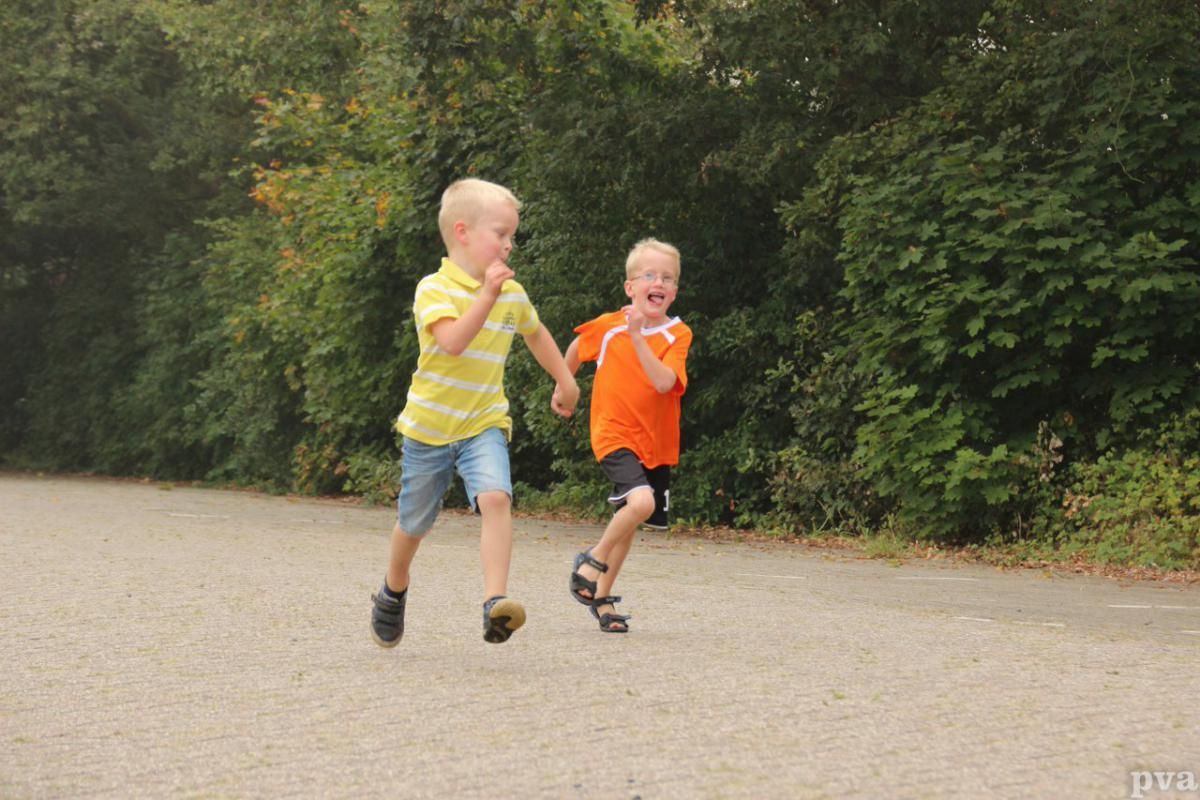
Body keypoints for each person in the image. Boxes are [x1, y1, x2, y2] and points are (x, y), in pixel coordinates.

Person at [370, 178, 579, 647]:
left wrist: (565, 379)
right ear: (462, 232)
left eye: (512, 236)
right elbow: (454, 342)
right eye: (500, 234)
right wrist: (486, 296)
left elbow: (536, 332)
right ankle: (393, 589)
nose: (509, 245)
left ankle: (495, 604)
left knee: (497, 499)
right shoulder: (434, 289)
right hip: (429, 430)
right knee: (414, 523)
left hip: (483, 422)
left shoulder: (511, 293)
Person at [555, 238, 692, 633]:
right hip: (613, 433)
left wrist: (637, 336)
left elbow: (666, 382)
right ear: (630, 288)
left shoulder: (677, 335)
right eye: (649, 275)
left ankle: (600, 598)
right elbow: (578, 347)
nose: (659, 282)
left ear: (674, 292)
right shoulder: (610, 326)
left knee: (630, 517)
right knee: (642, 502)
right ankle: (591, 560)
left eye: (667, 277)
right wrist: (565, 390)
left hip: (656, 445)